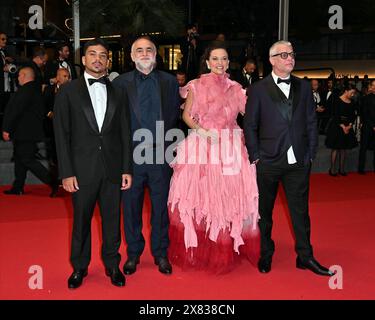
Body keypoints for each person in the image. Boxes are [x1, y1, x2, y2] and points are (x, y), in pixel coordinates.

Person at [168, 41, 260, 274]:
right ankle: (205, 247)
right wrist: (202, 131)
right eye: (216, 59)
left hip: (231, 146)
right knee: (202, 197)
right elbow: (187, 116)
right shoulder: (196, 85)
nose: (220, 63)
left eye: (224, 59)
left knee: (228, 198)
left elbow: (247, 114)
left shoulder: (236, 88)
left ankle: (225, 245)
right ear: (208, 62)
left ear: (229, 62)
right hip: (202, 145)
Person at [244, 40, 334, 276]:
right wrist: (255, 156)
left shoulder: (304, 87)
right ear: (272, 60)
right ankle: (266, 254)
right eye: (284, 55)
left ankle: (305, 256)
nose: (290, 58)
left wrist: (311, 153)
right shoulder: (258, 89)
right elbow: (250, 125)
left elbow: (311, 122)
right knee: (265, 213)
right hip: (268, 161)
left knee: (301, 212)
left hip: (298, 162)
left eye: (292, 54)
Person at [53, 38, 132, 289]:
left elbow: (124, 134)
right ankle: (79, 267)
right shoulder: (68, 91)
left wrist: (126, 169)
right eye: (92, 54)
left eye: (103, 55)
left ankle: (112, 264)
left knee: (112, 221)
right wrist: (66, 172)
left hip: (112, 170)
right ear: (84, 59)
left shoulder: (119, 92)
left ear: (108, 60)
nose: (98, 58)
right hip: (81, 170)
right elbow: (61, 134)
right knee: (81, 222)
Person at [113, 37, 180, 275]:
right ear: (131, 56)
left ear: (155, 54)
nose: (144, 53)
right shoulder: (120, 83)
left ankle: (161, 253)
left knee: (161, 209)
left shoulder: (170, 82)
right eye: (139, 50)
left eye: (148, 49)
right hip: (131, 158)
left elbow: (175, 117)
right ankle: (133, 254)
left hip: (161, 156)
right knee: (131, 208)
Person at [2, 66, 58, 197]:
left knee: (27, 159)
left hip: (25, 132)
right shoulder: (33, 89)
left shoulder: (26, 90)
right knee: (20, 159)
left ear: (25, 76)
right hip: (26, 132)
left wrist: (6, 128)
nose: (18, 78)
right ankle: (18, 187)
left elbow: (15, 111)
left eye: (20, 75)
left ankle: (53, 181)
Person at [325, 83, 358, 176]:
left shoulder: (352, 102)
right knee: (335, 148)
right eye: (351, 93)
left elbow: (353, 115)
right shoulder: (337, 100)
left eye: (354, 93)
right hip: (337, 126)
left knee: (344, 148)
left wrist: (349, 125)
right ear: (346, 91)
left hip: (348, 126)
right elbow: (335, 115)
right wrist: (343, 126)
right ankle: (332, 170)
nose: (353, 95)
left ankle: (342, 169)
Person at [358, 79, 375, 174]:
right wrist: (373, 126)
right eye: (373, 85)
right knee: (363, 148)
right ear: (371, 87)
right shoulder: (365, 98)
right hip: (367, 126)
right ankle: (361, 169)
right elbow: (364, 114)